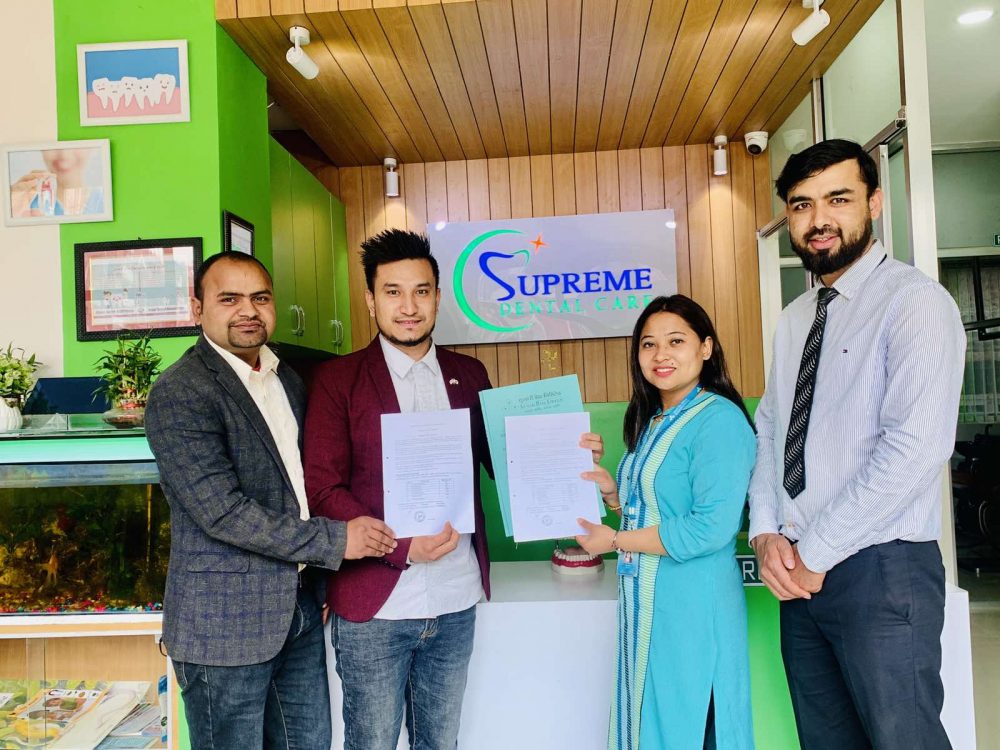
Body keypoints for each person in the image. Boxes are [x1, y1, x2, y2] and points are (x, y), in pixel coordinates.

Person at [304, 228, 602, 749]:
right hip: (376, 605)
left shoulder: (469, 373)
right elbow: (324, 489)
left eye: (421, 291)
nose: (408, 307)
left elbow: (504, 463)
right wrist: (399, 545)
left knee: (441, 743)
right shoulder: (337, 380)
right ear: (371, 300)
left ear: (438, 297)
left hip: (455, 598)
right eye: (393, 292)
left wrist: (567, 455)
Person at [748, 139, 966, 749]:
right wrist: (765, 532)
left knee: (904, 740)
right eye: (802, 205)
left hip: (882, 568)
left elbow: (916, 448)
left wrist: (817, 550)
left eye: (837, 199)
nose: (818, 219)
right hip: (800, 572)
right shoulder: (796, 318)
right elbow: (772, 428)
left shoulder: (914, 302)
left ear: (873, 204)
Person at [145, 252, 396, 750]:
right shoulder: (181, 392)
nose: (248, 310)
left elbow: (302, 488)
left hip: (298, 612)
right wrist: (335, 542)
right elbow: (223, 512)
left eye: (260, 298)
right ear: (197, 309)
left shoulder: (287, 378)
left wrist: (320, 581)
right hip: (223, 627)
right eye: (229, 299)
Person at [576, 294, 757, 750]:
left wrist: (616, 540)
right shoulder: (655, 419)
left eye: (676, 341)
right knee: (652, 725)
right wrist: (613, 494)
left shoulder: (718, 420)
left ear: (706, 347)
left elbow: (710, 528)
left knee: (694, 725)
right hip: (650, 604)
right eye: (648, 344)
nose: (661, 354)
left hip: (693, 606)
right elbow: (660, 510)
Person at [9, 147, 104, 217]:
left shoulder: (106, 200)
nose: (64, 155)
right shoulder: (24, 204)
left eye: (75, 144)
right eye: (53, 146)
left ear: (92, 149)